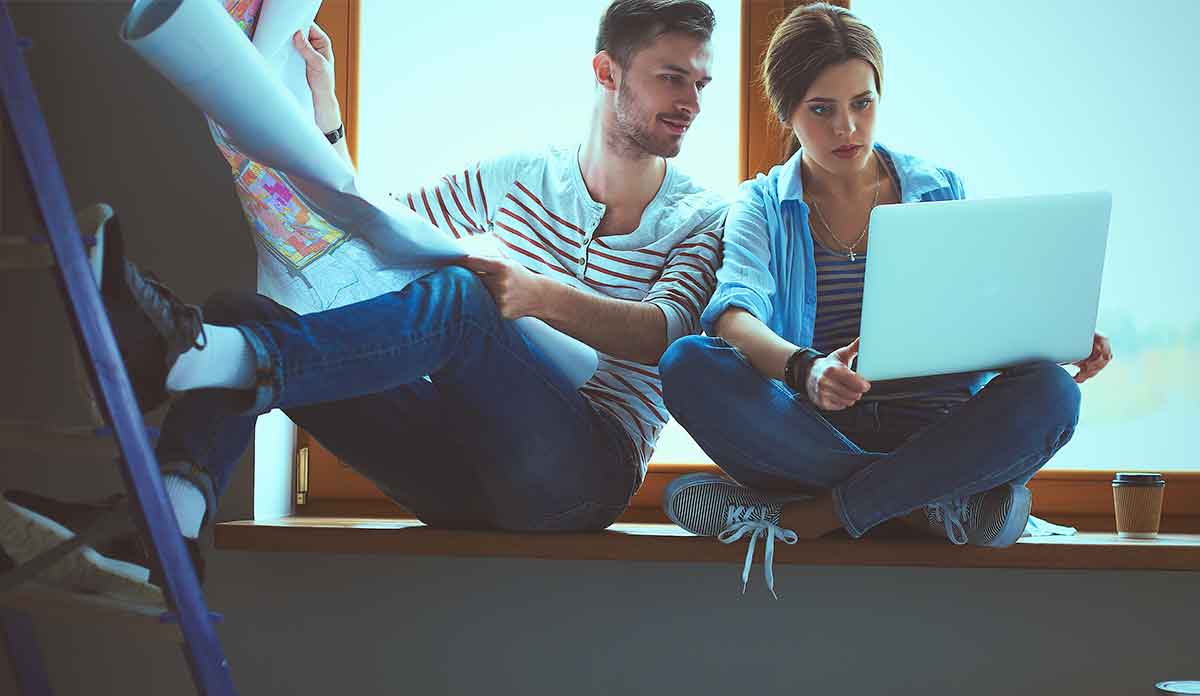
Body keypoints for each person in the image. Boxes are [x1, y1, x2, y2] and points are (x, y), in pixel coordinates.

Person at [0, 0, 727, 589]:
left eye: (701, 83)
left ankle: (193, 356)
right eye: (672, 77)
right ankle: (164, 528)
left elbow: (663, 333)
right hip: (454, 473)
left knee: (464, 301)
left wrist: (533, 295)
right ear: (607, 71)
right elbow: (380, 228)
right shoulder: (522, 175)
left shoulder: (700, 217)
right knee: (240, 312)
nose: (691, 100)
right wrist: (324, 114)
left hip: (581, 478)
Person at [656, 3, 1113, 596]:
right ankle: (933, 507)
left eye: (861, 103)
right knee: (689, 362)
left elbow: (978, 320)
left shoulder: (937, 188)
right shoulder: (762, 204)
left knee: (1052, 390)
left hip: (940, 431)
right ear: (787, 111)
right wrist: (806, 367)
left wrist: (1057, 333)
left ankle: (811, 515)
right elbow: (735, 315)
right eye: (821, 109)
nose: (846, 128)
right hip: (819, 433)